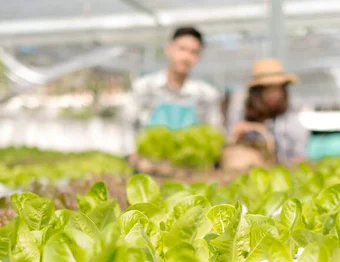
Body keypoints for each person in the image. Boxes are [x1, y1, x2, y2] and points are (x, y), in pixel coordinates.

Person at [123, 26, 222, 159]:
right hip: (148, 164)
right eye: (182, 49)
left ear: (199, 56)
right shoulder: (144, 87)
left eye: (193, 52)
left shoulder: (207, 95)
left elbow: (215, 131)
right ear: (169, 48)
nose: (186, 57)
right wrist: (131, 152)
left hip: (190, 168)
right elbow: (127, 125)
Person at [229, 58, 309, 164]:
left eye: (278, 89)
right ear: (257, 93)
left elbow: (300, 155)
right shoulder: (241, 113)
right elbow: (228, 144)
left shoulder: (290, 118)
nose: (275, 95)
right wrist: (236, 133)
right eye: (268, 90)